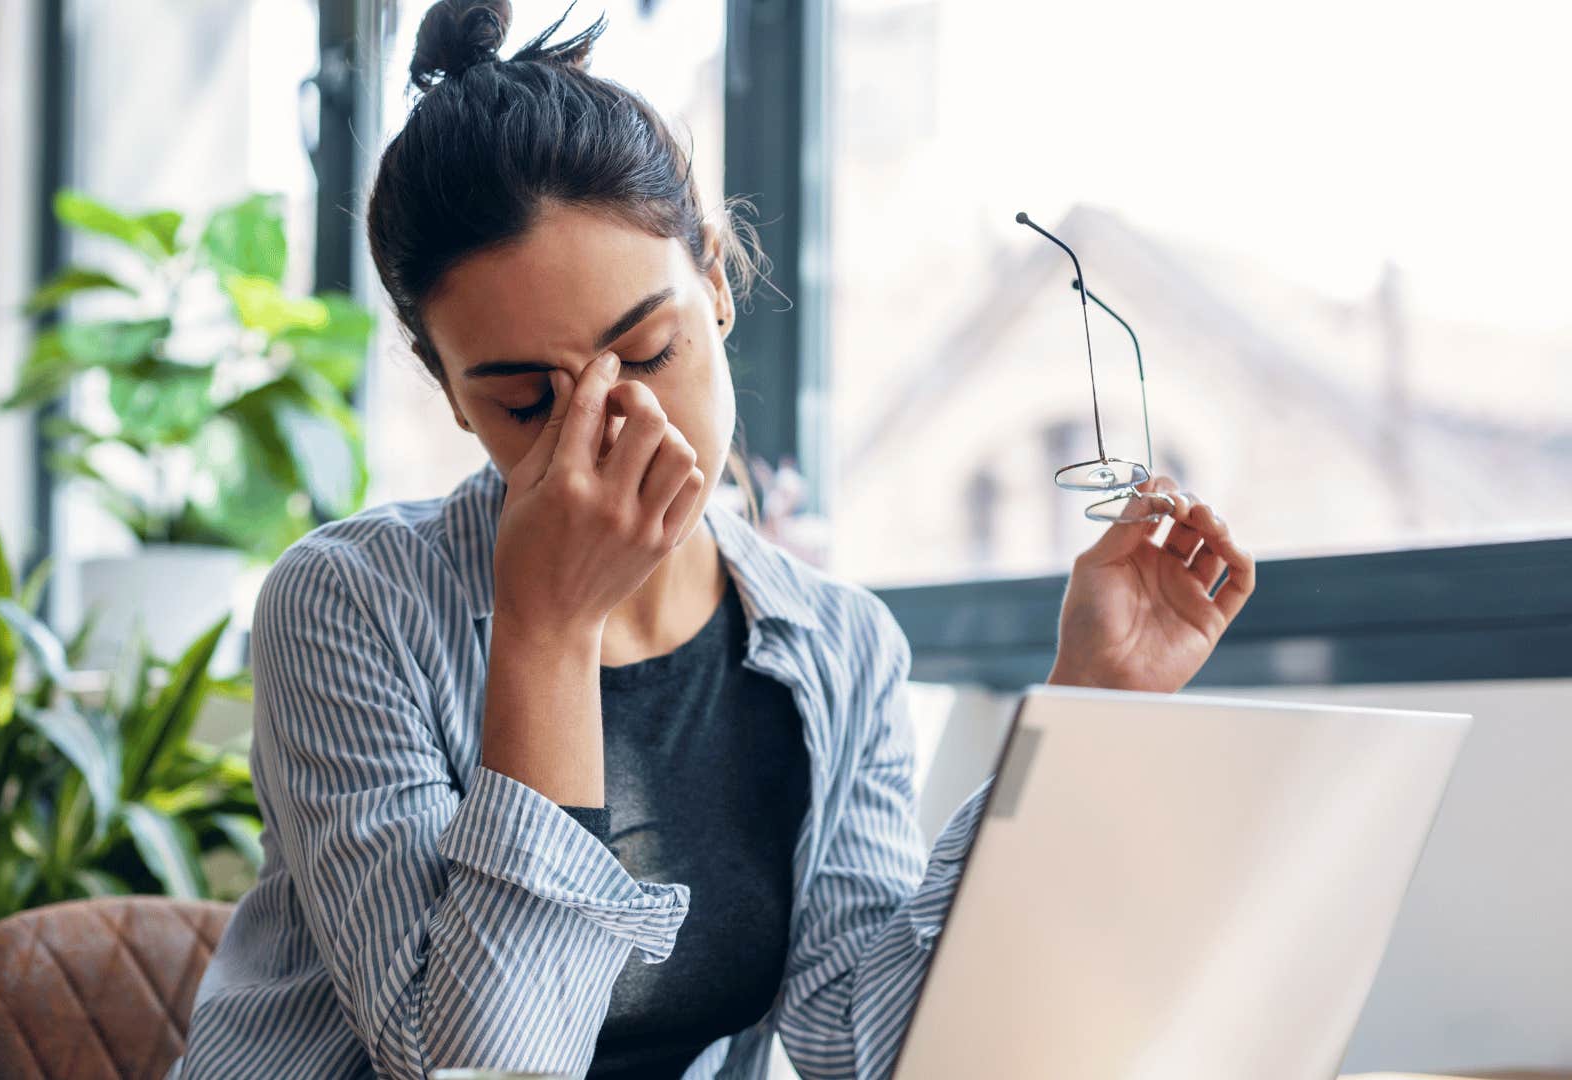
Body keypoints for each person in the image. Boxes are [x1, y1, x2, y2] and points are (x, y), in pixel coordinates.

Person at [171, 2, 1256, 1077]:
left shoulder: (838, 647)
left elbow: (860, 1043)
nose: (614, 427)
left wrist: (1084, 705)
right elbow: (472, 1068)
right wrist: (546, 634)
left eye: (646, 354)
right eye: (524, 404)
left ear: (720, 285)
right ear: (453, 399)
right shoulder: (351, 606)